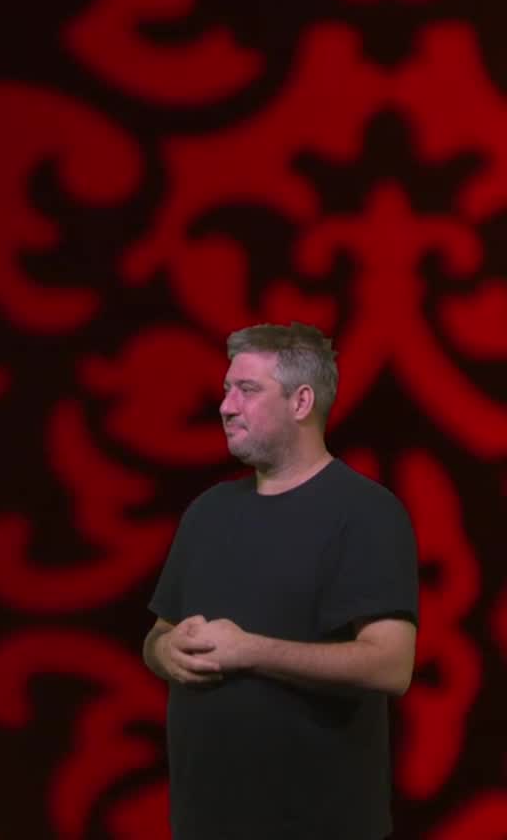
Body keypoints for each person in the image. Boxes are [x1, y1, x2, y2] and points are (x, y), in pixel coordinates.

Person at [144, 323, 418, 839]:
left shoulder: (367, 513)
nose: (226, 406)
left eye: (247, 390)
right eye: (227, 389)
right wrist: (165, 651)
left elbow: (390, 664)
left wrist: (249, 651)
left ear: (301, 401)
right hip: (203, 825)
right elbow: (158, 635)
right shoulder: (207, 512)